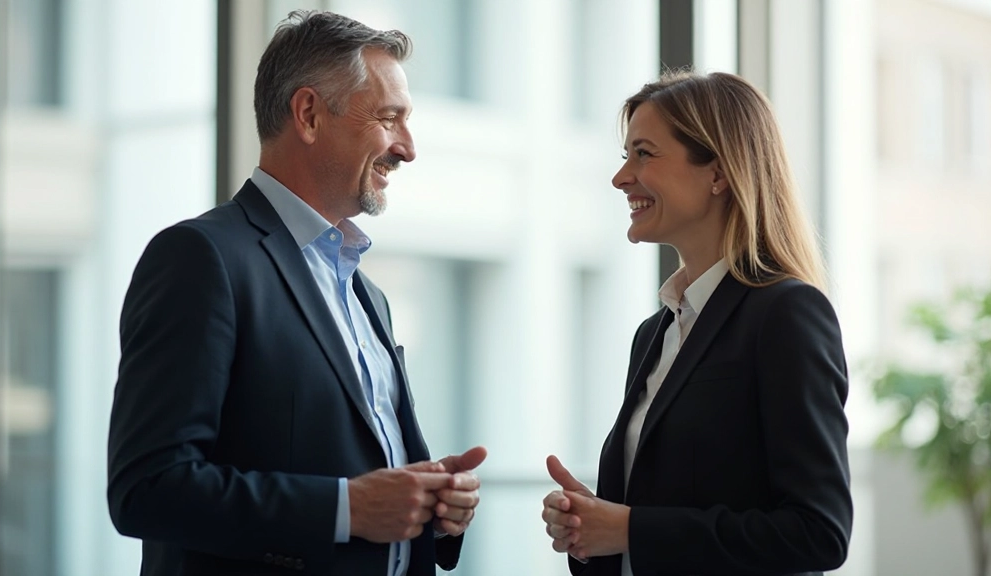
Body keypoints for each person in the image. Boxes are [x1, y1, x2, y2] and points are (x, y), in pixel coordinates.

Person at [107, 10, 486, 576]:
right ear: (308, 114)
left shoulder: (369, 294)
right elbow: (148, 489)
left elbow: (357, 467)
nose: (407, 148)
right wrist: (346, 509)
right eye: (389, 119)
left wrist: (429, 504)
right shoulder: (201, 259)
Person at [541, 71, 852, 576]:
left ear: (719, 174)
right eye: (625, 155)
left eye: (644, 154)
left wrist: (629, 529)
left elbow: (819, 532)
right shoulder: (655, 333)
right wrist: (591, 528)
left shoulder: (786, 313)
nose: (621, 178)